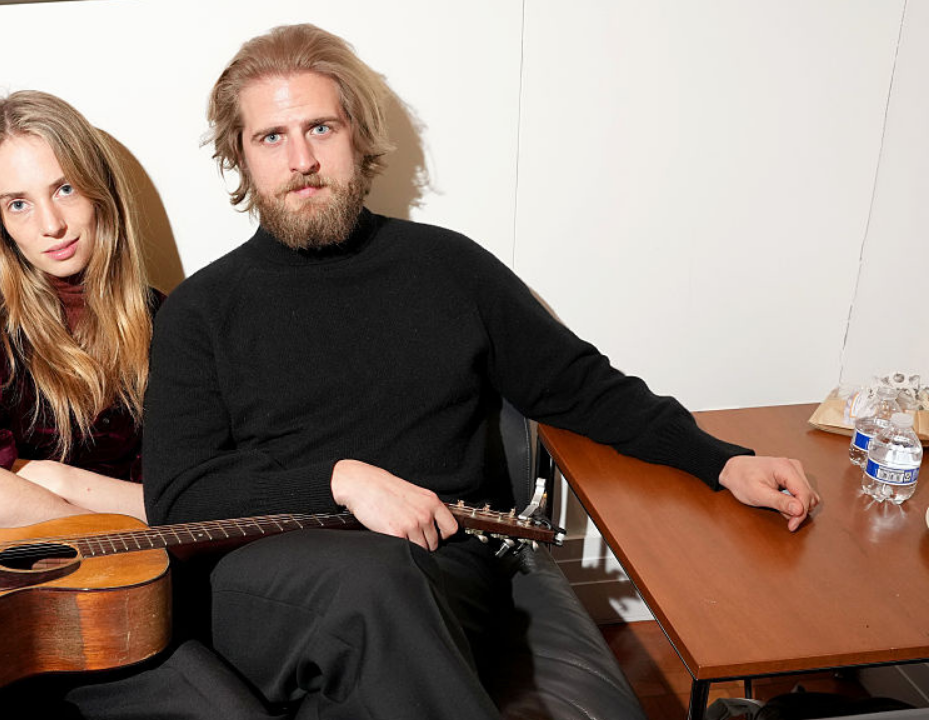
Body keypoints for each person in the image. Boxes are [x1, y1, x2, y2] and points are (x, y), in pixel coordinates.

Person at [142, 24, 822, 720]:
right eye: (271, 137)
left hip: (440, 566)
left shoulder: (447, 267)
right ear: (241, 156)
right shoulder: (200, 311)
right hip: (269, 581)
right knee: (373, 582)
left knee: (379, 618)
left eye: (321, 127)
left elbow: (578, 386)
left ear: (358, 136)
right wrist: (341, 480)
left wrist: (720, 460)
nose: (302, 159)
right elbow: (178, 496)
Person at [0, 90, 274, 719]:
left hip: (120, 611)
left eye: (65, 189)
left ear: (99, 191)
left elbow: (184, 503)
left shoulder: (164, 322)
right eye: (18, 203)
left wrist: (49, 480)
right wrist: (121, 529)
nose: (51, 225)